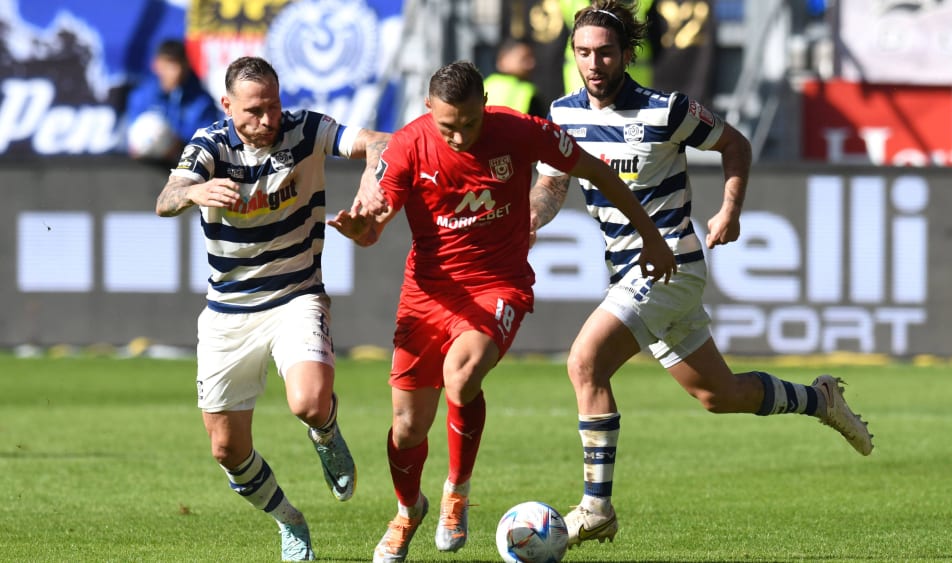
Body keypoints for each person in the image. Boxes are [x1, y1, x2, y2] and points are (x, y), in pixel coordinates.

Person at [528, 0, 875, 550]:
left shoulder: (666, 109)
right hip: (626, 272)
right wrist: (530, 220)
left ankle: (595, 508)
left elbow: (735, 144)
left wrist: (729, 209)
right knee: (720, 394)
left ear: (627, 54)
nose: (593, 64)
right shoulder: (563, 113)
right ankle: (820, 401)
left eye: (605, 53)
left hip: (671, 264)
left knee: (584, 361)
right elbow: (551, 187)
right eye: (583, 53)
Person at [328, 60, 673, 563]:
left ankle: (457, 492)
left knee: (461, 374)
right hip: (427, 295)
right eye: (449, 125)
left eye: (471, 121)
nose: (462, 134)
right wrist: (363, 230)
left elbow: (596, 170)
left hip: (499, 286)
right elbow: (377, 221)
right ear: (429, 110)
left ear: (485, 104)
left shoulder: (520, 131)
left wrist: (651, 236)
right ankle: (407, 512)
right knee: (406, 428)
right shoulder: (408, 145)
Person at [154, 56, 391, 562]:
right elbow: (166, 197)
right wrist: (194, 190)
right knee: (227, 450)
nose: (266, 120)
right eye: (254, 110)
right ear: (227, 106)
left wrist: (372, 174)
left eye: (273, 106)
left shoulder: (305, 130)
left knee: (307, 401)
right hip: (228, 311)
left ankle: (325, 432)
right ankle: (289, 519)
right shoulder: (210, 146)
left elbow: (379, 140)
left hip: (296, 294)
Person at [125, 39, 220, 164]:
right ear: (156, 64)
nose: (175, 71)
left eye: (177, 64)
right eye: (168, 64)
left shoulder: (202, 102)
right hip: (144, 167)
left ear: (186, 65)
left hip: (185, 168)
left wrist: (177, 145)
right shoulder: (141, 95)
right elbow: (134, 133)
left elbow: (207, 144)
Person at [483, 38, 548, 118]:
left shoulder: (484, 85)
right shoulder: (528, 91)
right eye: (524, 59)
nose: (531, 64)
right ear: (504, 59)